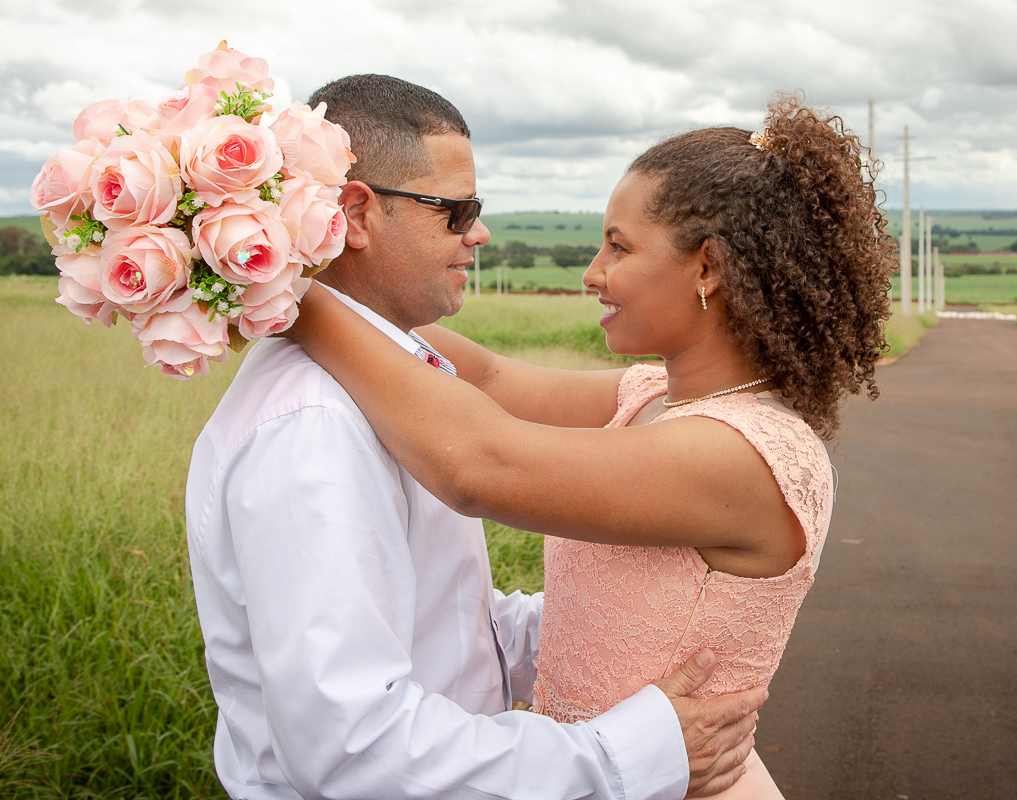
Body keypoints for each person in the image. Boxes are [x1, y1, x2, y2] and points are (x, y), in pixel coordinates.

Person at [282, 93, 894, 798]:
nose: (592, 273)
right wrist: (318, 264)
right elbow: (488, 377)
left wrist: (287, 295)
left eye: (619, 247)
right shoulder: (653, 396)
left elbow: (481, 466)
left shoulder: (737, 454)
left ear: (708, 267)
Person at [185, 74, 764, 800]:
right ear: (357, 213)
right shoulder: (314, 426)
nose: (479, 233)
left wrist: (613, 626)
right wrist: (623, 757)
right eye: (458, 211)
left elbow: (442, 618)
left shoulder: (396, 388)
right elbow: (353, 750)